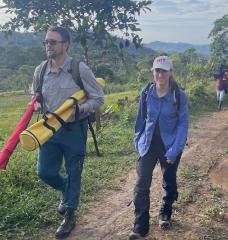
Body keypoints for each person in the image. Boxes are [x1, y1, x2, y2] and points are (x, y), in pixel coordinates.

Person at [31, 26, 104, 239]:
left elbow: (98, 98)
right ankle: (66, 190)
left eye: (53, 42)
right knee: (44, 171)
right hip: (49, 130)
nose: (48, 45)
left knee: (74, 172)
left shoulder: (79, 69)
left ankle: (69, 215)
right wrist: (35, 103)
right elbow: (35, 94)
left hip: (74, 129)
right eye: (46, 42)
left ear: (65, 45)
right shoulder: (41, 70)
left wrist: (82, 108)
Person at [129, 56, 189, 240]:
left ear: (170, 72)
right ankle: (140, 226)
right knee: (141, 185)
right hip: (147, 145)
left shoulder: (178, 95)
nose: (160, 74)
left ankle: (165, 212)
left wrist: (174, 150)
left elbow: (182, 124)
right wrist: (138, 141)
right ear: (153, 72)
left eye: (164, 70)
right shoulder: (146, 92)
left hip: (169, 145)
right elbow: (140, 119)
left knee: (168, 179)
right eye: (157, 70)